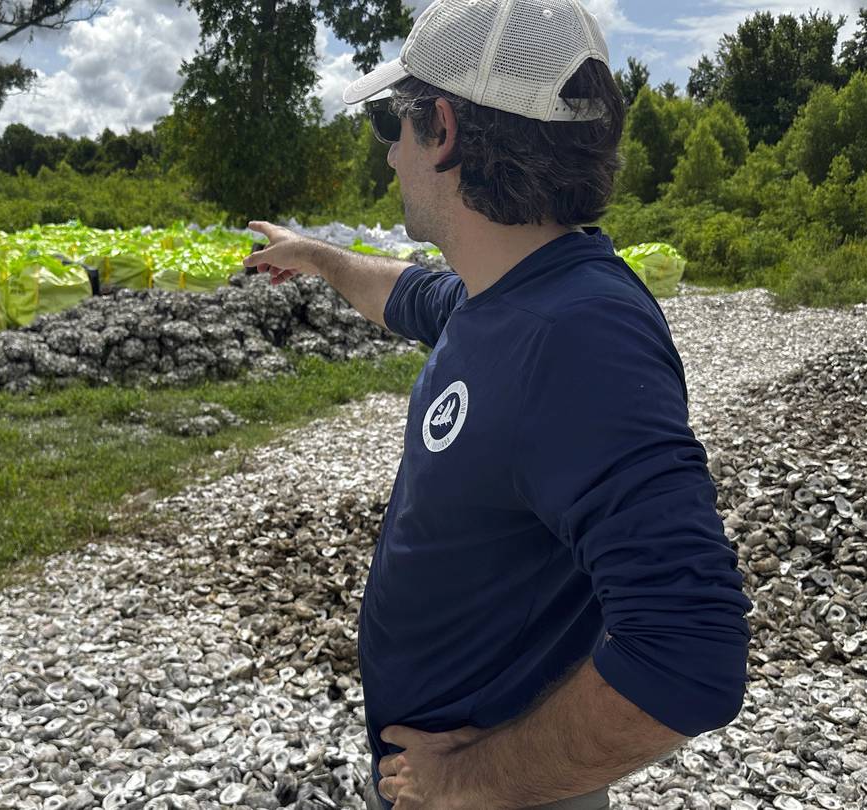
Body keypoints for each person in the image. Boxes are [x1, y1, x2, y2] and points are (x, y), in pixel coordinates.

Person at [241, 0, 753, 808]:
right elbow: (412, 294)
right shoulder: (510, 293)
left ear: (441, 131)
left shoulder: (578, 336)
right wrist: (319, 257)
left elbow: (689, 651)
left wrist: (467, 781)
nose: (387, 158)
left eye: (391, 125)